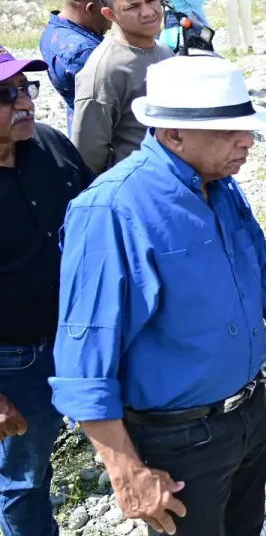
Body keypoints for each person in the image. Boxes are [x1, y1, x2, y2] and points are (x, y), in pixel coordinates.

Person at [52, 55, 266, 536]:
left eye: (245, 127)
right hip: (178, 440)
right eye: (229, 131)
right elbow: (83, 361)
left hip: (249, 415)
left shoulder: (221, 188)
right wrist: (127, 473)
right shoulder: (112, 210)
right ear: (173, 133)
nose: (247, 141)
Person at [0, 46, 93, 536]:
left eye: (25, 88)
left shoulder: (51, 144)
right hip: (14, 361)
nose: (25, 102)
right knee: (23, 479)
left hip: (79, 337)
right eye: (4, 94)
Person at [72, 0, 173, 174]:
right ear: (110, 14)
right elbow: (89, 156)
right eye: (132, 6)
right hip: (142, 186)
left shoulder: (164, 51)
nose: (148, 12)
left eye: (151, 0)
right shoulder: (103, 71)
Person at [38, 0, 111, 133]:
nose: (111, 23)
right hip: (100, 137)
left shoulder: (52, 29)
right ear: (90, 9)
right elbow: (113, 101)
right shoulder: (83, 51)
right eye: (107, 13)